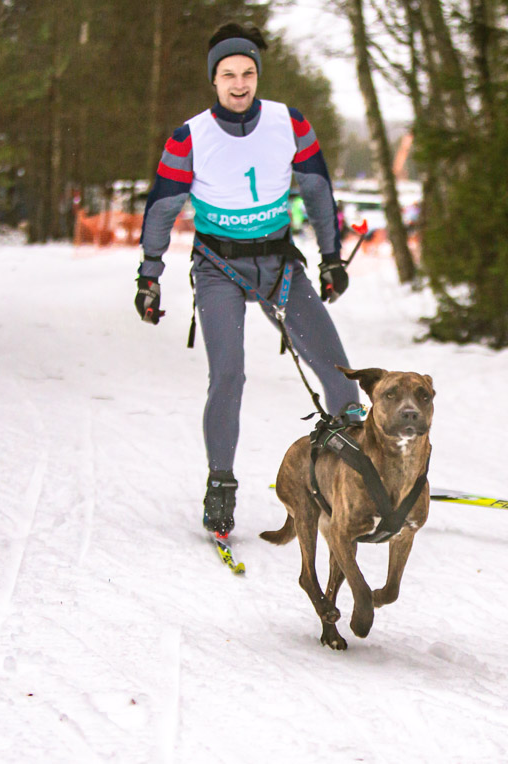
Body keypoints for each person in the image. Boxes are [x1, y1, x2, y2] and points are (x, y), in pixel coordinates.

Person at [134, 22, 360, 539]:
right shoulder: (189, 136)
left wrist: (331, 258)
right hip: (220, 268)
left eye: (248, 73)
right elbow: (162, 210)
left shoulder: (290, 123)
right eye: (228, 75)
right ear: (213, 81)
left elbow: (319, 191)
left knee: (337, 371)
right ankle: (221, 487)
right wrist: (150, 276)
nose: (239, 84)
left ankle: (360, 475)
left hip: (279, 264)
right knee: (229, 376)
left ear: (258, 75)